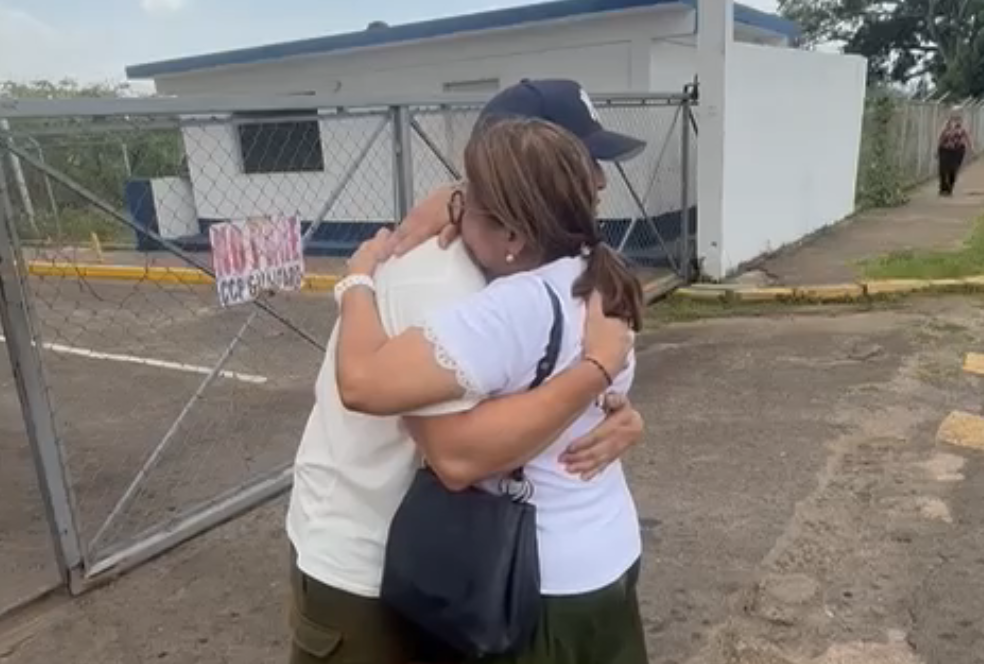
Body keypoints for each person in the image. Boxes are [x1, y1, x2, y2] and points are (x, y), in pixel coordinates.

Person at [287, 79, 650, 664]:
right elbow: (456, 454)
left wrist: (613, 410)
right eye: (584, 160)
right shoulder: (442, 279)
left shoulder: (550, 270)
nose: (601, 181)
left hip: (449, 560)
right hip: (367, 559)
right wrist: (594, 374)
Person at [938, 111, 972, 196]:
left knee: (953, 169)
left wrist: (971, 148)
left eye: (957, 118)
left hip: (957, 151)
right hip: (945, 149)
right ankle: (943, 188)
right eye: (953, 118)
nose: (955, 121)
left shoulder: (962, 128)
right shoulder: (945, 127)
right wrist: (938, 148)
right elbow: (940, 137)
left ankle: (950, 187)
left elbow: (967, 137)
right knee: (943, 169)